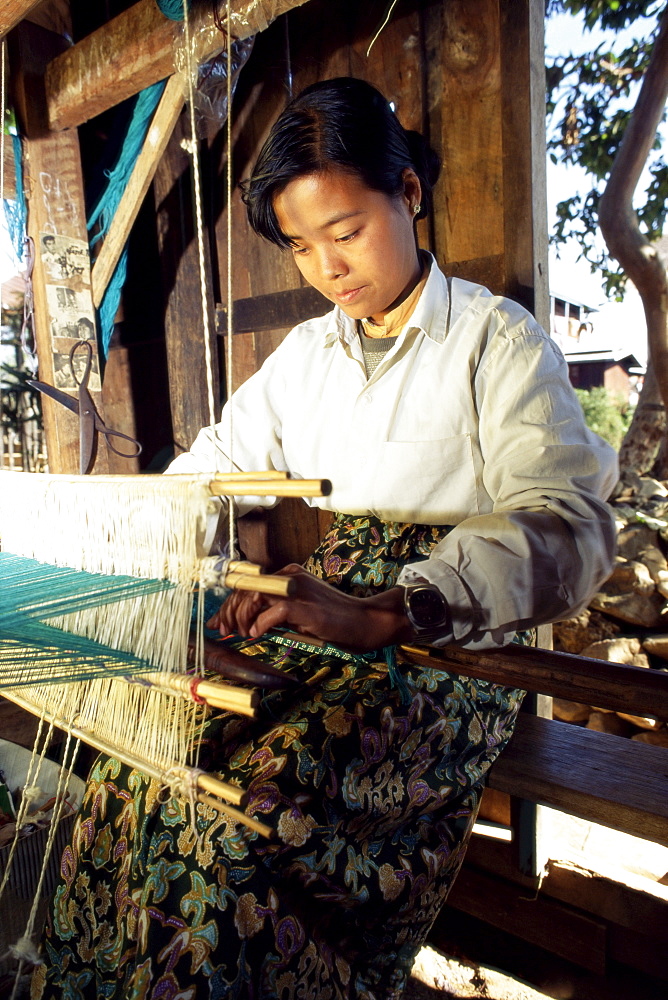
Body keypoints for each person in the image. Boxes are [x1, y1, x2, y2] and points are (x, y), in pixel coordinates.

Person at [34, 78, 617, 1000]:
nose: (328, 268)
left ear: (409, 196)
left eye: (345, 231)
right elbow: (218, 463)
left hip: (451, 645)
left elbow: (569, 521)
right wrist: (129, 545)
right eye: (302, 247)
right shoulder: (308, 357)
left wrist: (399, 605)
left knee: (247, 829)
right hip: (325, 605)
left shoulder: (496, 344)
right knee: (141, 788)